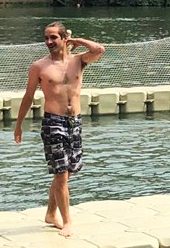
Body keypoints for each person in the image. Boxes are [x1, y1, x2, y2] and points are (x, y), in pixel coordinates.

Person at [14, 21, 105, 236]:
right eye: (46, 38)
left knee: (67, 172)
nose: (48, 42)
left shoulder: (78, 61)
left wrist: (77, 41)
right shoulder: (40, 67)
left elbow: (99, 50)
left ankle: (50, 213)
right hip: (53, 121)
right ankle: (67, 222)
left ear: (64, 39)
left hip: (75, 121)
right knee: (61, 173)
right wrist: (18, 125)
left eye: (53, 37)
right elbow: (28, 96)